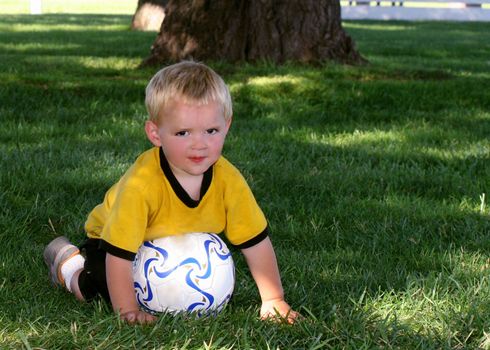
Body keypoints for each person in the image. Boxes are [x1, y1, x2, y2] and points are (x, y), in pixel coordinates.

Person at [44, 61, 299, 324]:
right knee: (97, 290)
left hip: (177, 240)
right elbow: (119, 256)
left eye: (211, 130)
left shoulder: (229, 180)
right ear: (155, 133)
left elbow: (255, 242)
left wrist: (273, 299)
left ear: (227, 125)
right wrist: (128, 311)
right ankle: (69, 264)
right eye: (183, 132)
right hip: (112, 240)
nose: (199, 144)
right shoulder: (141, 184)